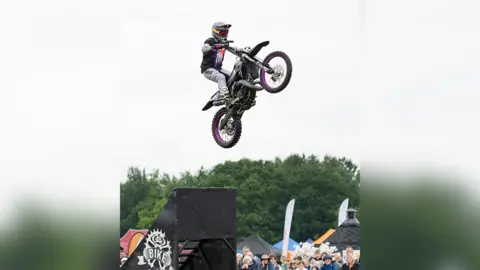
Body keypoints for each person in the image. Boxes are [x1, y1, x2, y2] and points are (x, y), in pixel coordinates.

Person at [200, 22, 233, 105]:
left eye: (225, 33)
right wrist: (215, 46)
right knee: (221, 77)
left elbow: (234, 50)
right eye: (222, 33)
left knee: (233, 76)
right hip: (207, 69)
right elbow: (204, 48)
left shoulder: (224, 43)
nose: (224, 35)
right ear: (216, 32)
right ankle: (224, 96)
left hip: (218, 69)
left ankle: (227, 94)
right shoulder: (210, 40)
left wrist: (243, 52)